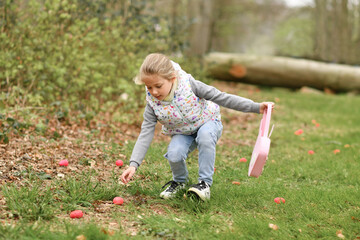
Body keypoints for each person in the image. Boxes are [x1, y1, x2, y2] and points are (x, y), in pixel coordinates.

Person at [120, 53, 274, 201]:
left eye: (158, 86)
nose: (154, 92)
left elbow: (221, 97)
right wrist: (134, 164)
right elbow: (146, 132)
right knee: (174, 154)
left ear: (172, 78)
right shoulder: (153, 103)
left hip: (208, 122)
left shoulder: (189, 85)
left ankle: (204, 184)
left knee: (205, 137)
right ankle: (180, 182)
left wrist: (255, 107)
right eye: (149, 87)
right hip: (183, 132)